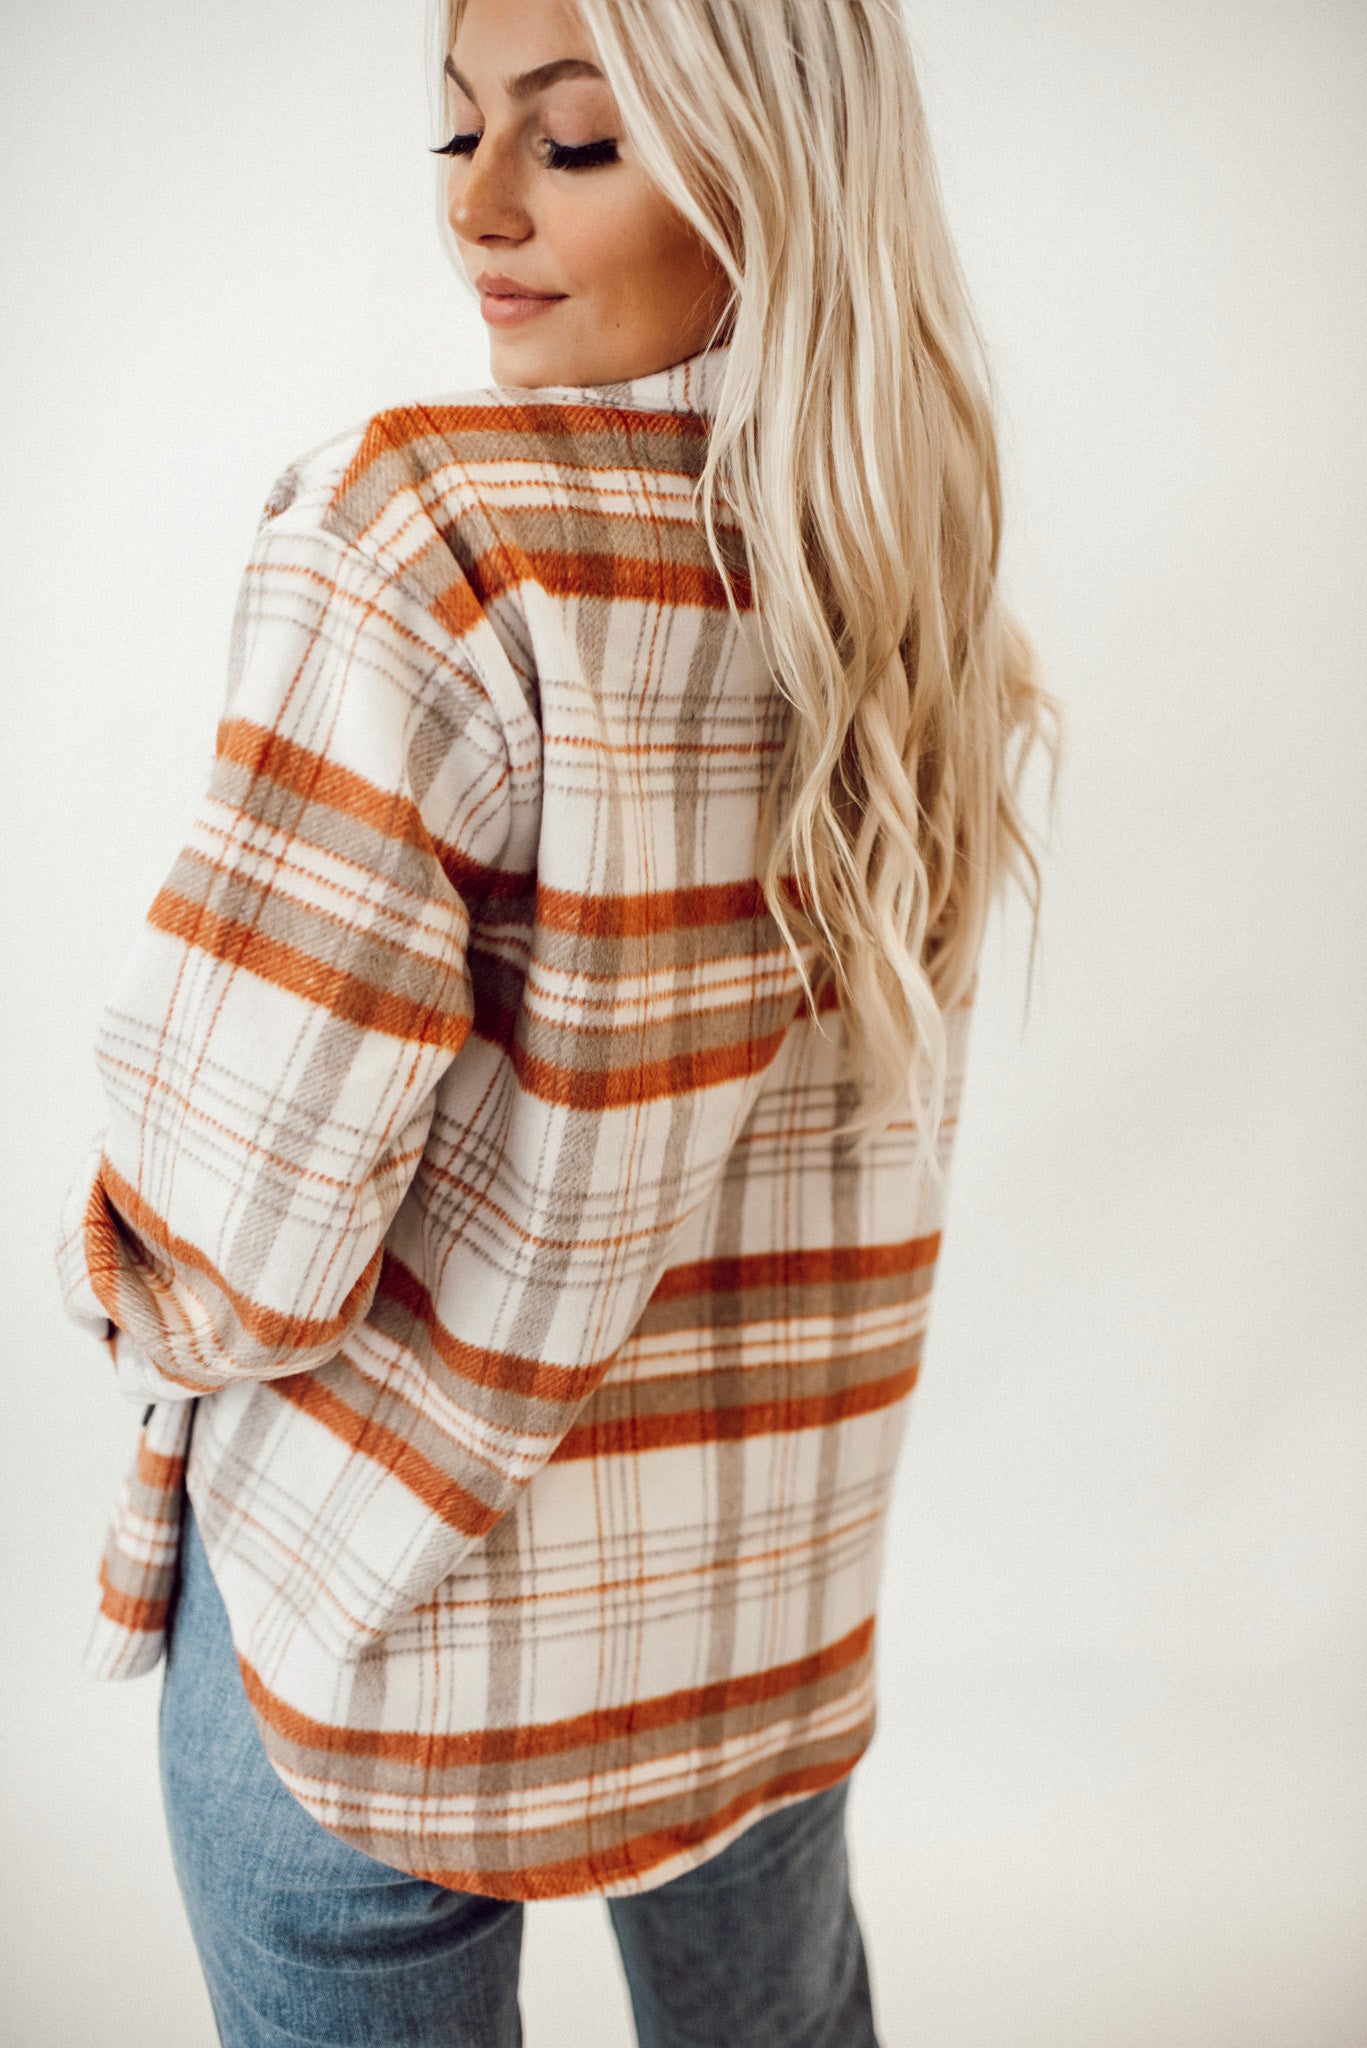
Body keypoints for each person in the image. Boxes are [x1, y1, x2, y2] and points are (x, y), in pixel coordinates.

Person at [55, 0, 1059, 2041]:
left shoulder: (428, 533)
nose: (478, 209)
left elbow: (241, 1251)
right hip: (755, 1624)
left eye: (574, 141)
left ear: (769, 172)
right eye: (457, 135)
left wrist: (119, 1274)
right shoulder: (900, 568)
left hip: (389, 1651)